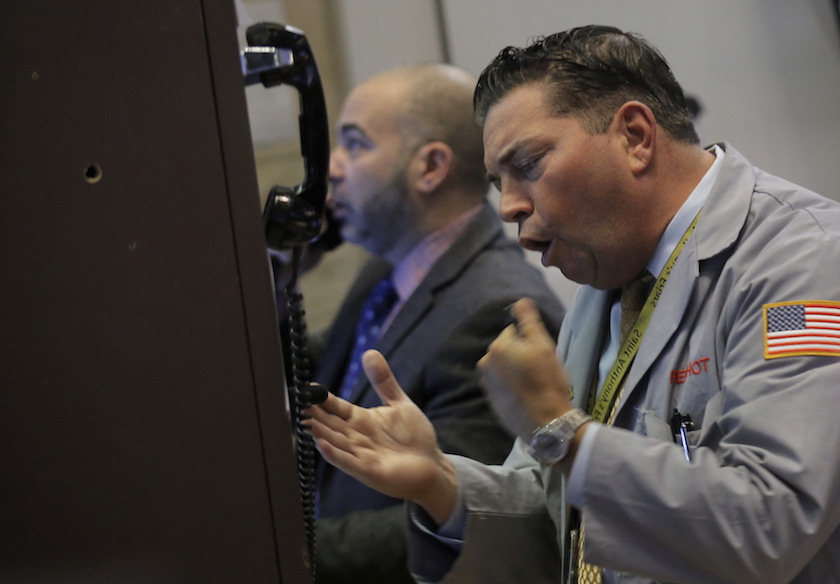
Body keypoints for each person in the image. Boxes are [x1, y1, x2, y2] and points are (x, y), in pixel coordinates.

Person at [306, 25, 840, 584]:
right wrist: (441, 483)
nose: (509, 207)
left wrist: (561, 430)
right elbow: (564, 507)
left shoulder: (801, 263)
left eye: (529, 165)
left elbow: (771, 522)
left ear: (635, 136)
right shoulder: (611, 274)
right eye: (498, 181)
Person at [275, 63, 566, 584]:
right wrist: (277, 272)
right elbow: (323, 370)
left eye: (355, 145)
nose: (331, 168)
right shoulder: (388, 270)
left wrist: (272, 549)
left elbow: (436, 513)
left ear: (430, 166)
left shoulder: (495, 311)